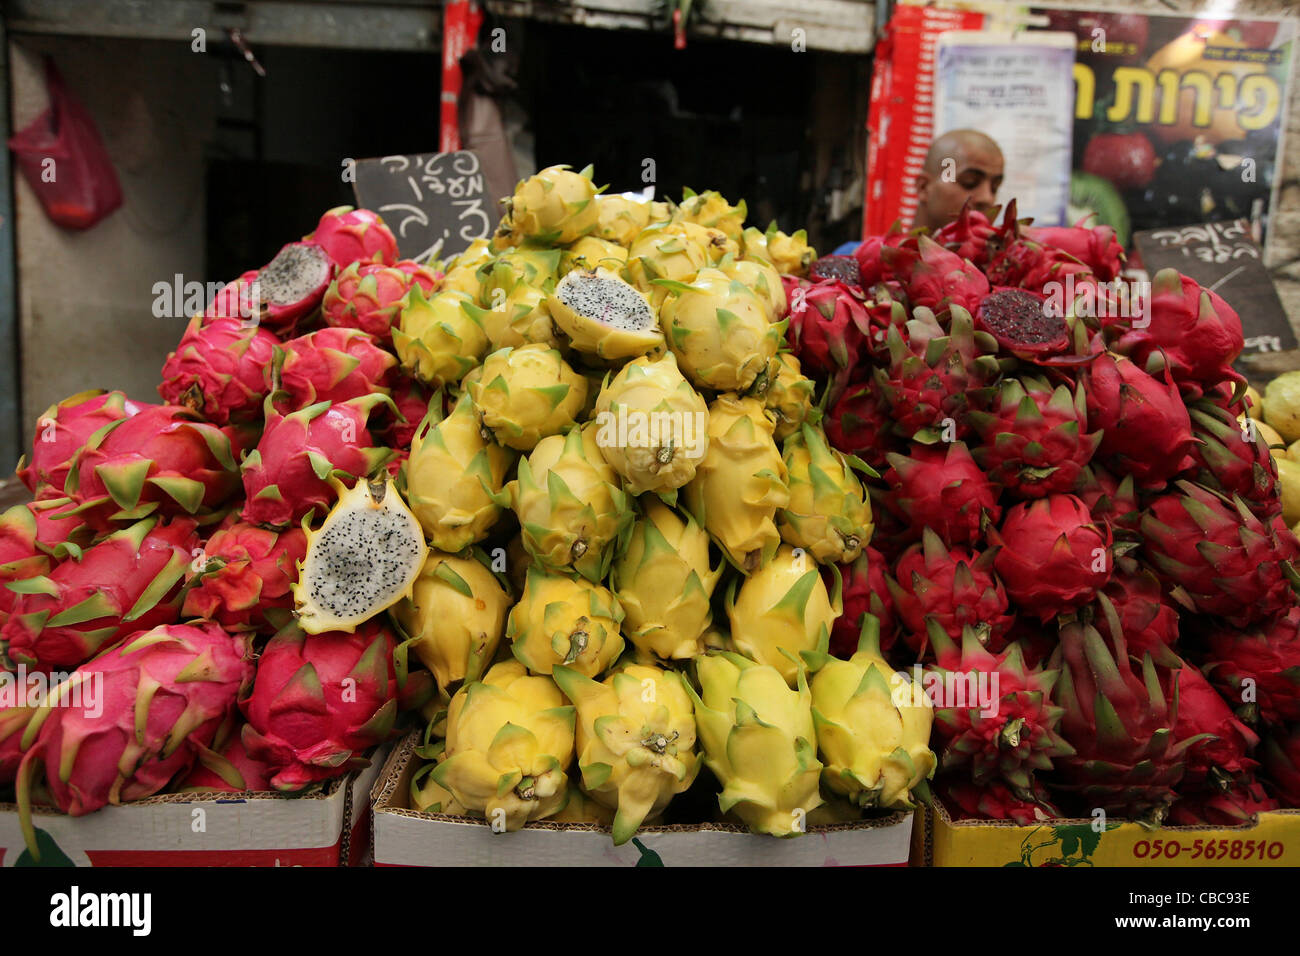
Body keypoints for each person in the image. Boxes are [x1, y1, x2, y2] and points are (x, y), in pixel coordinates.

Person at [912, 129, 1004, 232]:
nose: (987, 198)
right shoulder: (891, 248)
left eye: (994, 187)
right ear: (924, 187)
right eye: (970, 182)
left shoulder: (1006, 247)